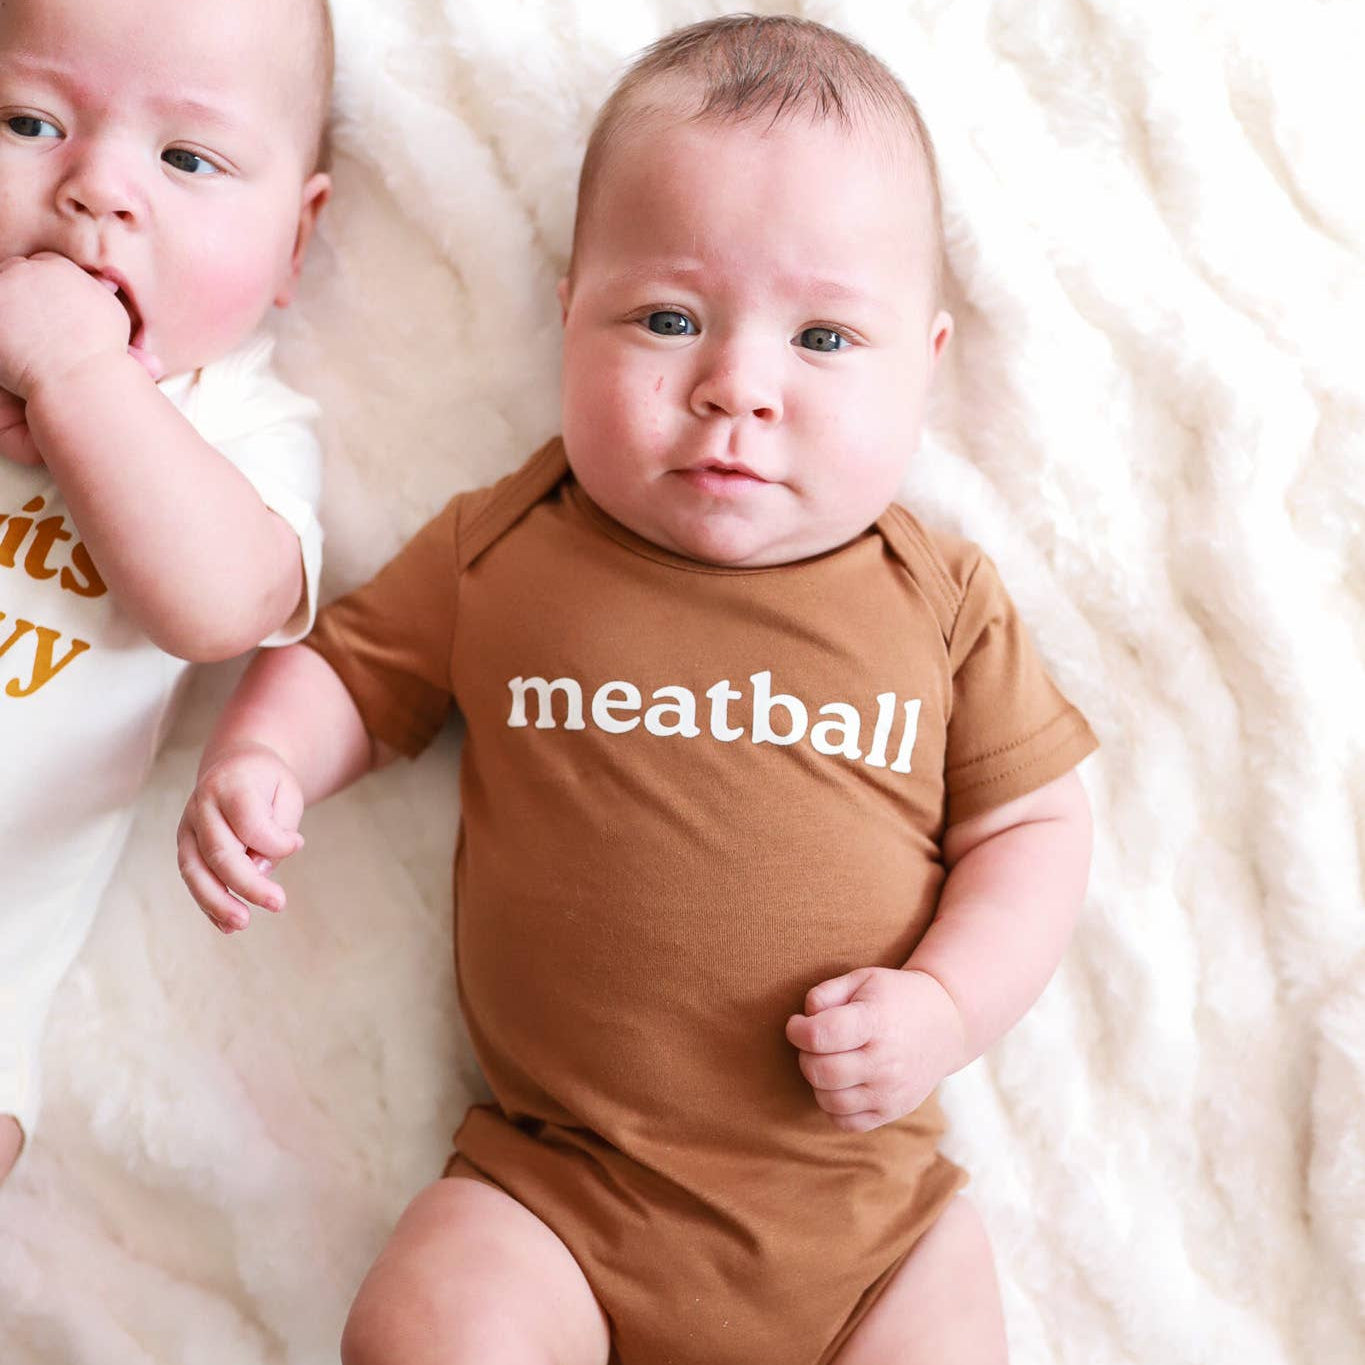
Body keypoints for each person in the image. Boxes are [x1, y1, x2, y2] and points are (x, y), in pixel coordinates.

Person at [177, 14, 1097, 1364]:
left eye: (826, 340)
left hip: (867, 1223)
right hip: (558, 1193)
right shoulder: (509, 545)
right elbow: (345, 673)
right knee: (427, 1330)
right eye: (668, 318)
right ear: (569, 315)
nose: (737, 388)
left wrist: (948, 1007)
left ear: (929, 361)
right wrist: (261, 760)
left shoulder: (936, 601)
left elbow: (1034, 830)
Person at [0, 0, 334, 1184]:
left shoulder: (235, 427)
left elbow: (214, 604)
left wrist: (74, 374)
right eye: (28, 121)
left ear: (296, 242)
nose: (95, 189)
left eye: (186, 158)